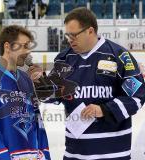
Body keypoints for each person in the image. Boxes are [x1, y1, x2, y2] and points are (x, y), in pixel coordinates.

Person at [29, 7, 145, 160]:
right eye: (67, 35)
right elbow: (53, 95)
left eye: (74, 35)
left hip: (114, 154)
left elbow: (137, 96)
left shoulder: (119, 56)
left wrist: (104, 109)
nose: (69, 39)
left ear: (90, 31)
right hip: (75, 153)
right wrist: (40, 82)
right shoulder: (64, 59)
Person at [0, 25, 51, 160]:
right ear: (7, 47)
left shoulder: (26, 79)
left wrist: (44, 154)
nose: (28, 51)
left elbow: (37, 119)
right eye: (24, 46)